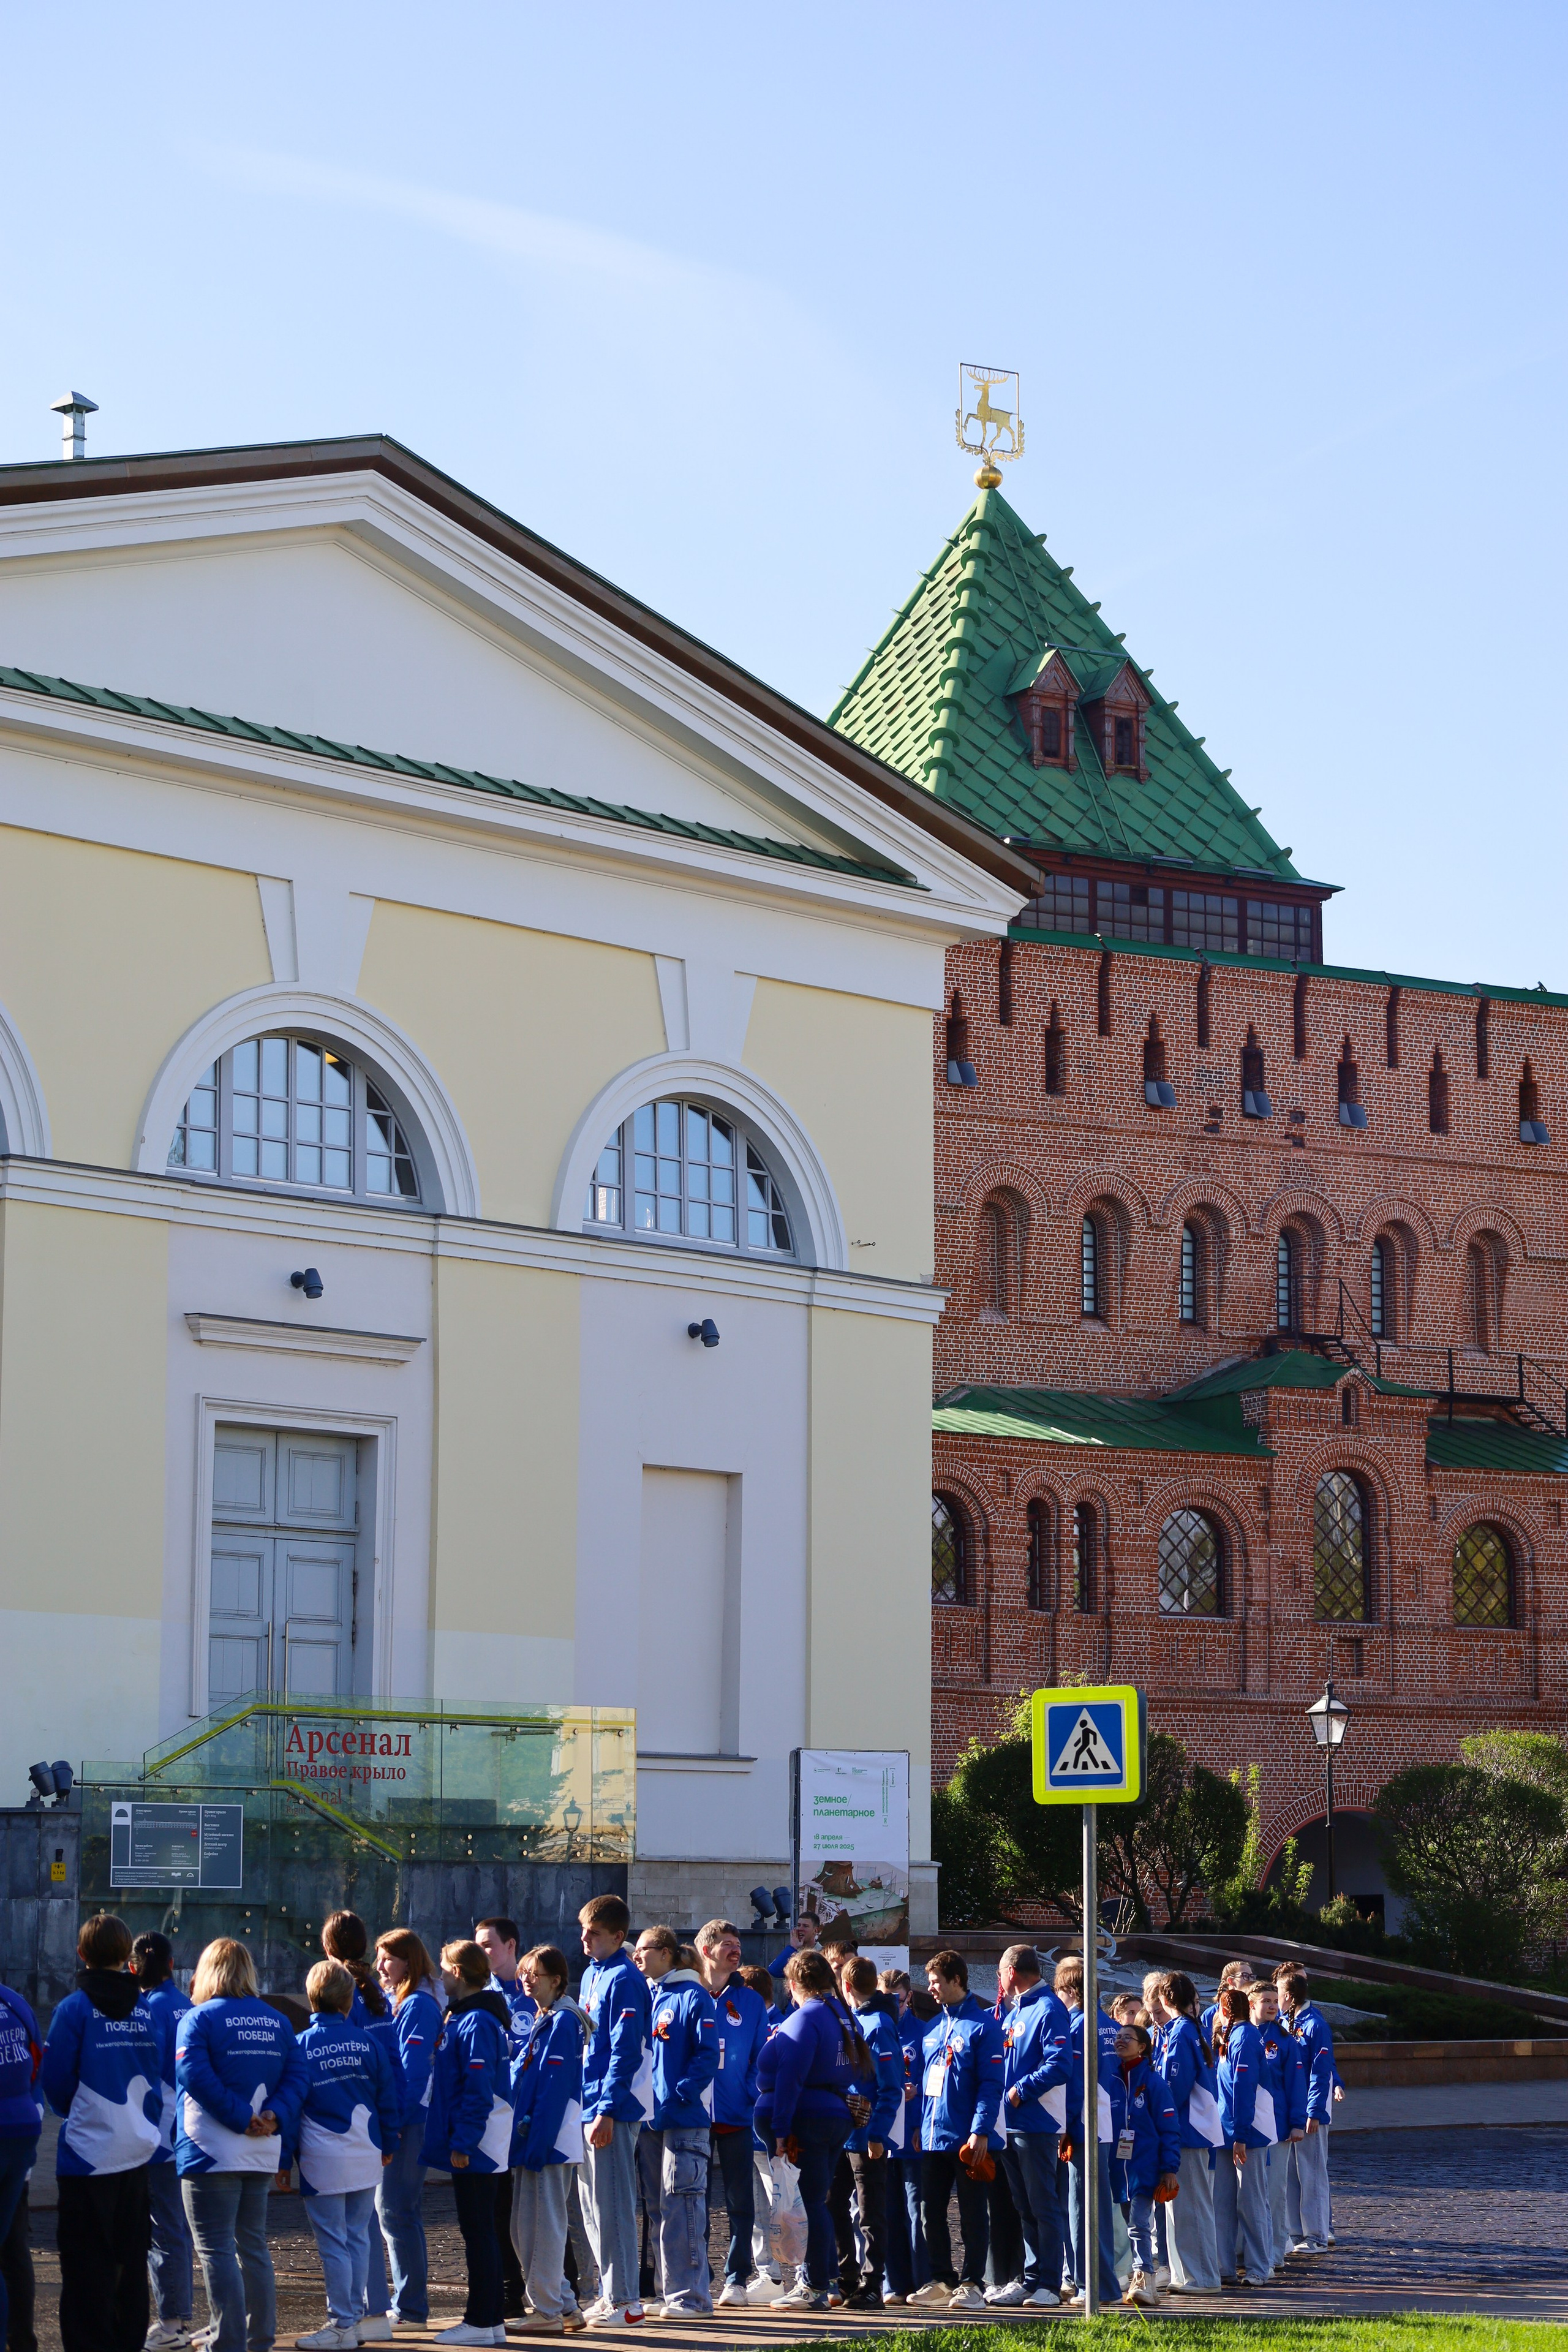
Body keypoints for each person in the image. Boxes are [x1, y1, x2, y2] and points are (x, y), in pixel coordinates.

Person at [175, 1936, 308, 2352]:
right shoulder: (278, 2021)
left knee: (215, 2249)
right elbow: (299, 2077)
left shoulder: (197, 2019)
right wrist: (273, 2116)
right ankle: (259, 2339)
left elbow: (193, 2076)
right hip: (262, 2149)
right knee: (253, 2245)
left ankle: (227, 2341)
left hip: (210, 2148)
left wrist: (239, 2116)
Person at [42, 1910, 162, 2352]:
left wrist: (79, 2111)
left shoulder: (73, 2009)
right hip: (137, 2150)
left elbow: (55, 2081)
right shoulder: (146, 2009)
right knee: (130, 2264)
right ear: (126, 1957)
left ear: (81, 1954)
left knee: (84, 2266)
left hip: (89, 2156)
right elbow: (153, 2071)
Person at [281, 1960, 403, 2352]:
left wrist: (284, 2161)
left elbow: (290, 2106)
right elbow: (388, 2098)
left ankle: (342, 2324)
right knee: (357, 2239)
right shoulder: (368, 2042)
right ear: (350, 2001)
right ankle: (351, 2321)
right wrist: (389, 2144)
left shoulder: (300, 2046)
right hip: (366, 2151)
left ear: (312, 1998)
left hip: (323, 2157)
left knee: (335, 2241)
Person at [423, 1939, 516, 2347]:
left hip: (477, 2143)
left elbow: (477, 2089)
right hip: (479, 2140)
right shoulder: (470, 2017)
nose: (440, 1978)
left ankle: (480, 2320)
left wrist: (463, 2141)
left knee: (478, 2230)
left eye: (444, 1970)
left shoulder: (476, 2021)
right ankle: (490, 2319)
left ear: (458, 1973)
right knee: (482, 2230)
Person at [764, 1950, 863, 2313]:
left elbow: (791, 2078)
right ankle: (826, 2282)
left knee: (809, 2203)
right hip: (835, 2114)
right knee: (817, 2201)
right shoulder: (841, 2013)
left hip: (810, 2117)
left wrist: (780, 2129)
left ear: (793, 1984)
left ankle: (814, 2285)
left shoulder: (808, 2016)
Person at [906, 1948, 1003, 2315]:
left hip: (967, 2139)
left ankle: (972, 2282)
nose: (930, 1989)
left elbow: (991, 2084)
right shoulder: (932, 2029)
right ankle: (941, 2279)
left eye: (935, 1982)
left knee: (973, 2212)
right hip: (932, 2137)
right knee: (930, 2211)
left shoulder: (982, 2027)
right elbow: (925, 2083)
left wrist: (980, 2131)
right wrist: (918, 2124)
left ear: (956, 1981)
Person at [631, 1927, 717, 2318]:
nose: (637, 1956)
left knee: (682, 2205)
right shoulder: (649, 1995)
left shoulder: (692, 1994)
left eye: (644, 1949)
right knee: (656, 2208)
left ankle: (692, 2298)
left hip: (683, 2118)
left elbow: (707, 2052)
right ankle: (669, 2293)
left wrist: (679, 2092)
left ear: (665, 1954)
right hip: (650, 2119)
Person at [575, 1894, 649, 2332]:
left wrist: (604, 2109)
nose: (584, 1939)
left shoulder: (624, 1977)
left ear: (618, 1937)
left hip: (614, 2108)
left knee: (614, 2203)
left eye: (595, 1933)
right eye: (583, 1930)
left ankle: (627, 2301)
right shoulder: (591, 1974)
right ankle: (608, 2294)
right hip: (590, 2102)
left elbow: (624, 2051)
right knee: (592, 2205)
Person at [506, 1946, 588, 2335]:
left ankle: (547, 2310)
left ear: (556, 1980)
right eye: (524, 1972)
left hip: (549, 2142)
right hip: (534, 2139)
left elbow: (553, 2091)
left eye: (535, 1974)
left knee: (541, 2227)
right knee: (524, 2227)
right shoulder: (547, 2019)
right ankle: (565, 2306)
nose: (527, 1979)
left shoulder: (562, 2023)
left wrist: (537, 2144)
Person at [693, 1920, 767, 2309]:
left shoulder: (751, 2001)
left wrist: (748, 2091)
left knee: (740, 2201)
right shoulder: (689, 1994)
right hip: (694, 2118)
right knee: (695, 2201)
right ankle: (697, 2277)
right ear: (707, 1950)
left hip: (737, 2115)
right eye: (727, 1944)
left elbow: (761, 2058)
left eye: (739, 1944)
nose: (736, 1950)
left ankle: (737, 2278)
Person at [373, 1929, 443, 2331]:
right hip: (404, 2121)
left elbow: (413, 2075)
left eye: (388, 1959)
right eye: (379, 1958)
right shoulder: (400, 2001)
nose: (380, 1966)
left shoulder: (416, 2005)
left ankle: (411, 2308)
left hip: (408, 2122)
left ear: (408, 1962)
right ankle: (409, 2303)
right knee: (397, 2212)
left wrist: (392, 2126)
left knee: (396, 2211)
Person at [993, 1944, 1068, 2311]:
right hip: (1011, 2123)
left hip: (1037, 2124)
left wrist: (1021, 2090)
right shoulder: (1012, 2012)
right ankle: (1032, 2278)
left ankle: (1051, 2284)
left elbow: (1060, 2064)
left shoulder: (1049, 2008)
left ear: (1011, 1972)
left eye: (999, 1973)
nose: (999, 1980)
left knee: (1043, 2204)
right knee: (1024, 2206)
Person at [130, 1932, 195, 2350]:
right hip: (187, 2130)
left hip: (154, 2135)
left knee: (163, 2230)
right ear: (172, 1965)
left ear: (133, 1968)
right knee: (176, 2228)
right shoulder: (185, 2007)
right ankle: (175, 2318)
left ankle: (173, 2322)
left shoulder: (142, 2010)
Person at [831, 1958, 901, 2310]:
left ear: (846, 1986)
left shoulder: (879, 2024)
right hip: (842, 2134)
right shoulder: (851, 2020)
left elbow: (891, 2089)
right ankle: (847, 2278)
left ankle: (872, 2284)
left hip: (866, 2137)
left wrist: (877, 2134)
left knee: (870, 2212)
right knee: (833, 2203)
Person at [1146, 1970, 1221, 2296]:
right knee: (1187, 2206)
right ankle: (1188, 2272)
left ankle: (1201, 2276)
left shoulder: (1180, 2033)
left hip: (1187, 2130)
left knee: (1190, 2206)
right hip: (1191, 2129)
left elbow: (1174, 2087)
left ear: (1165, 1999)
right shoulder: (1190, 2029)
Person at [475, 1921, 535, 2327]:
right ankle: (509, 2295)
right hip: (496, 2120)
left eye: (488, 1945)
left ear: (511, 1945)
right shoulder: (481, 1998)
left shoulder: (536, 1993)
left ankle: (563, 2288)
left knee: (538, 2207)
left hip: (532, 2118)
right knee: (498, 2210)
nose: (482, 1953)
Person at [1054, 1953, 1119, 2311]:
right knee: (1097, 2207)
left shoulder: (1079, 2025)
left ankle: (1089, 2283)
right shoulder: (1106, 2022)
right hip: (1104, 2122)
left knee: (1081, 2208)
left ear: (1069, 1990)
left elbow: (1075, 2084)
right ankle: (1102, 2282)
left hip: (1084, 2125)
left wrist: (1063, 2126)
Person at [1112, 2024, 1180, 2307]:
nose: (1121, 2041)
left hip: (1145, 2164)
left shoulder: (1153, 2082)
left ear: (1143, 2047)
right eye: (1118, 2037)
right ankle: (1137, 2276)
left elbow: (1169, 2127)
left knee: (1139, 2223)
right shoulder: (1110, 2077)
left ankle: (1144, 2277)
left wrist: (1170, 2167)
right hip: (1119, 2166)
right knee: (1129, 2222)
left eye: (1129, 2038)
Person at [1212, 1986, 1272, 2285]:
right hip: (1227, 2133)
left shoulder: (1246, 2038)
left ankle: (1261, 2266)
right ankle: (1225, 2267)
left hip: (1245, 2135)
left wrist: (1241, 2135)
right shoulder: (1231, 2037)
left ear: (1225, 2011)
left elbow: (1244, 2091)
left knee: (1251, 2202)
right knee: (1222, 2203)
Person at [880, 1976, 933, 2307]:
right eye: (885, 2001)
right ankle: (894, 2282)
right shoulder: (875, 2027)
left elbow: (932, 2085)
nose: (891, 2008)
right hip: (884, 2134)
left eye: (896, 2001)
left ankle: (923, 2279)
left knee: (917, 2211)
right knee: (888, 2211)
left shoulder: (923, 2031)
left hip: (911, 2135)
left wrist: (918, 2124)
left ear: (908, 1998)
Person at [1276, 1967, 1335, 2256]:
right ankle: (1296, 2231)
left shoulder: (1315, 2024)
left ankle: (1317, 2236)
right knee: (1291, 2174)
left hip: (1311, 2113)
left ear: (1288, 1996)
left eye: (1277, 1994)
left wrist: (1312, 2112)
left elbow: (1320, 2072)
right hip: (1291, 2111)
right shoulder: (1286, 2022)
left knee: (1311, 2173)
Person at [0, 1972, 42, 2352]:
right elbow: (37, 2066)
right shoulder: (15, 2003)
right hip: (22, 2129)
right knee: (13, 2245)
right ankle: (22, 2340)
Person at [1254, 1982, 1306, 2274]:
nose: (1273, 2006)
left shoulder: (1285, 2041)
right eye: (1266, 2001)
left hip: (1278, 2126)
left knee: (1274, 2192)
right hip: (1248, 2128)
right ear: (1252, 2004)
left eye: (1276, 2000)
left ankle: (1275, 2252)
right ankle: (1250, 2251)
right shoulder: (1237, 2035)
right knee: (1250, 2194)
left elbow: (1296, 2085)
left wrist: (1297, 2123)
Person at [766, 1912, 820, 2006]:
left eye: (805, 1926)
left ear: (815, 1930)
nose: (800, 1929)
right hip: (794, 2006)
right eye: (798, 1925)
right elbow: (774, 1971)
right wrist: (793, 1948)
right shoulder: (793, 1953)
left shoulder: (823, 1953)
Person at [1201, 1961, 1256, 2045]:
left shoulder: (1256, 2007)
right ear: (1230, 1981)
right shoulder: (1212, 2013)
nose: (1251, 1980)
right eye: (1246, 1976)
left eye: (1252, 1977)